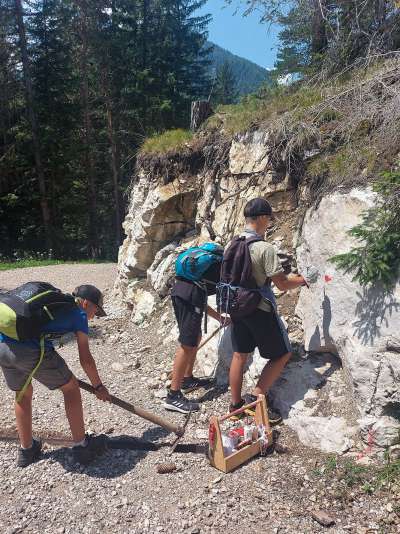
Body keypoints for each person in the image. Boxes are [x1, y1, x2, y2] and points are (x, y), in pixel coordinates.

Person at [0, 283, 111, 467]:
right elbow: (86, 359)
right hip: (30, 350)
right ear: (85, 303)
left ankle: (26, 451)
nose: (94, 317)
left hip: (3, 346)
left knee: (22, 393)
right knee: (71, 388)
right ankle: (82, 447)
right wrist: (98, 386)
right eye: (96, 311)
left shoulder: (52, 302)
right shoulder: (79, 314)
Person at [228, 198, 307, 424]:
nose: (270, 223)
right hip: (259, 308)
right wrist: (302, 280)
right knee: (283, 353)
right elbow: (282, 283)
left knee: (239, 354)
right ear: (262, 218)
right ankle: (257, 397)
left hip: (237, 307)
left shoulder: (233, 243)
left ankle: (235, 404)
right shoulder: (264, 248)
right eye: (269, 218)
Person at [164, 258, 227, 414]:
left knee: (195, 336)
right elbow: (198, 297)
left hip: (181, 292)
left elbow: (200, 299)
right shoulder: (220, 266)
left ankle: (187, 378)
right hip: (189, 297)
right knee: (187, 344)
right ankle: (173, 396)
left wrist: (219, 318)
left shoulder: (200, 273)